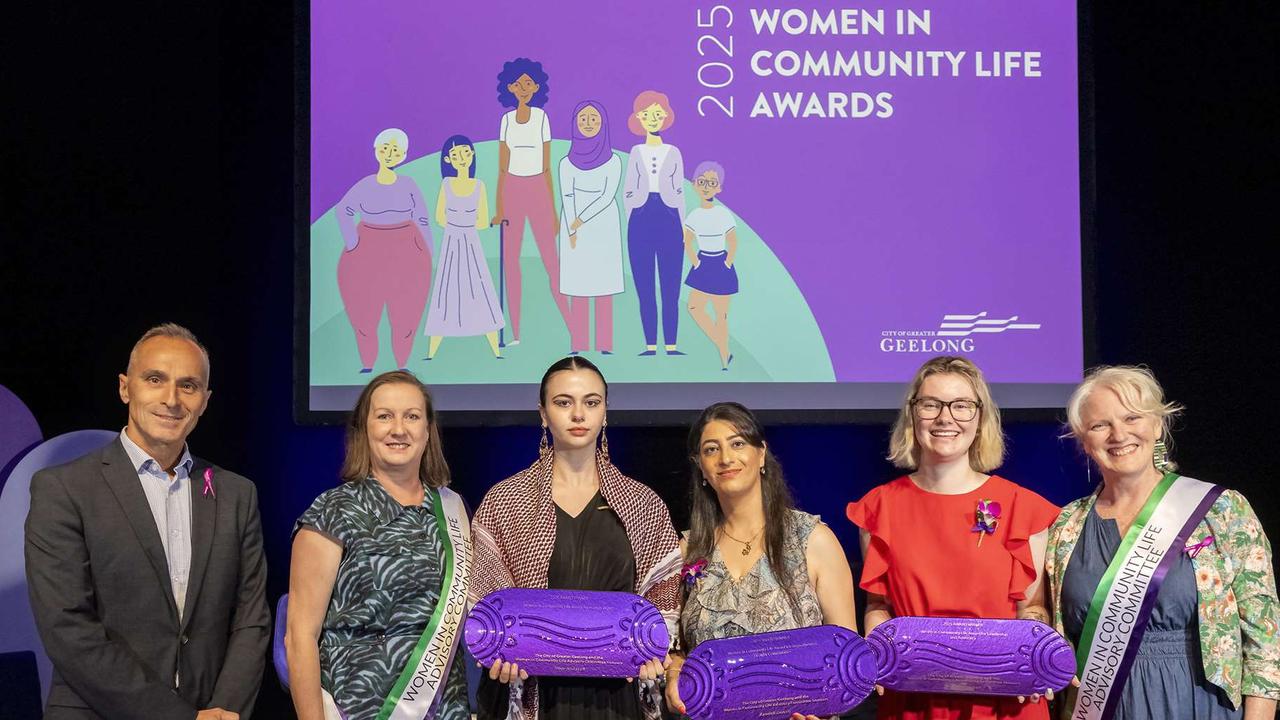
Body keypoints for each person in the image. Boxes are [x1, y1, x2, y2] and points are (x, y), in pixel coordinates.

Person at [24, 323, 269, 720]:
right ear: (125, 387)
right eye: (155, 379)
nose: (171, 399)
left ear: (205, 400)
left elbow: (250, 617)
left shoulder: (237, 494)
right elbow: (68, 628)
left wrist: (224, 709)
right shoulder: (63, 489)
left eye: (188, 386)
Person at [1047, 366, 1279, 720]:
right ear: (1084, 441)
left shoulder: (1222, 508)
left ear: (1157, 425)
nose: (1118, 434)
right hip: (1102, 705)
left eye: (1132, 417)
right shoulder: (1066, 525)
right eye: (1100, 425)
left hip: (1199, 701)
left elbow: (1264, 630)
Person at [846, 355, 1060, 720]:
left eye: (961, 405)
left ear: (980, 418)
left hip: (1005, 703)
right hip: (914, 701)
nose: (946, 418)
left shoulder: (1023, 507)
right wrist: (878, 647)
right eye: (931, 405)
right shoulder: (878, 509)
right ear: (913, 414)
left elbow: (1033, 608)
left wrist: (1035, 658)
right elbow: (877, 607)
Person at [469, 356, 682, 720]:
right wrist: (498, 646)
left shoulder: (643, 503)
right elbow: (489, 601)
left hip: (617, 697)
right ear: (543, 414)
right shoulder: (506, 500)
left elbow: (663, 599)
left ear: (605, 412)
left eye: (591, 402)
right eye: (563, 402)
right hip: (532, 692)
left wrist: (653, 648)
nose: (578, 415)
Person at [286, 370, 470, 720]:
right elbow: (299, 639)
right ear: (364, 429)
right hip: (358, 705)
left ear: (428, 431)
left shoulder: (452, 512)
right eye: (384, 416)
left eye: (412, 416)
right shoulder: (333, 511)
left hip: (446, 706)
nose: (398, 429)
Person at [665, 402, 858, 719]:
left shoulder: (813, 540)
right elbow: (673, 647)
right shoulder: (687, 549)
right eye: (711, 449)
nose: (726, 458)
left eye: (738, 443)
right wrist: (675, 668)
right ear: (700, 466)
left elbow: (846, 658)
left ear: (761, 453)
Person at [335, 128, 434, 372]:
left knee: (406, 312)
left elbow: (422, 218)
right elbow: (343, 210)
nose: (390, 153)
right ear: (377, 151)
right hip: (367, 250)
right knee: (364, 312)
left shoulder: (409, 185)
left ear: (403, 155)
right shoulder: (364, 186)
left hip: (407, 251)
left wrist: (427, 251)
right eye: (385, 148)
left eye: (396, 150)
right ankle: (368, 364)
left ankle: (402, 364)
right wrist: (353, 242)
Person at [492, 58, 568, 344]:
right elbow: (502, 167)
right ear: (509, 87)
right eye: (517, 84)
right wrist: (500, 208)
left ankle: (571, 328)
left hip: (537, 187)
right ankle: (515, 333)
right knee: (511, 263)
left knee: (551, 261)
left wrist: (552, 211)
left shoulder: (541, 118)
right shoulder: (507, 121)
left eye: (528, 83)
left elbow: (547, 166)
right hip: (512, 189)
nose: (523, 89)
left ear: (536, 87)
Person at [422, 134, 505, 360]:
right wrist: (461, 222)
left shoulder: (479, 186)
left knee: (479, 288)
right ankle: (432, 351)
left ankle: (495, 348)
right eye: (456, 155)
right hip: (452, 242)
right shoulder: (446, 185)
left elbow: (482, 220)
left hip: (470, 243)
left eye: (466, 153)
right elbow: (439, 216)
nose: (462, 158)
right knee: (446, 290)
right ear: (448, 160)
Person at [558, 100, 624, 355]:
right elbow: (567, 195)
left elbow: (607, 196)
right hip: (573, 226)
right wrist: (572, 227)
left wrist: (580, 220)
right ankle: (580, 344)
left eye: (594, 118)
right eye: (583, 118)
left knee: (603, 287)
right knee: (579, 287)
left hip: (603, 224)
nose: (588, 123)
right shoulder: (566, 162)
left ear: (603, 124)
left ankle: (605, 344)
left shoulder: (613, 160)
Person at [623, 90, 686, 357]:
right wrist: (634, 212)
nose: (653, 118)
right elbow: (628, 188)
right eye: (647, 114)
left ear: (665, 117)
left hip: (669, 215)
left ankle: (671, 345)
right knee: (645, 286)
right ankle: (650, 345)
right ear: (638, 118)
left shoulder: (674, 152)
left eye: (657, 114)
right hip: (641, 217)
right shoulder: (635, 151)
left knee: (671, 287)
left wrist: (682, 225)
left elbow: (680, 190)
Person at [681, 161, 738, 370]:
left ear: (719, 188)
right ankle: (723, 347)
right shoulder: (694, 215)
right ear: (695, 184)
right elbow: (687, 240)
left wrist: (727, 262)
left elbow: (732, 240)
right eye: (702, 181)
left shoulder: (723, 214)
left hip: (721, 265)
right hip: (703, 264)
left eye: (712, 182)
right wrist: (695, 263)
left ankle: (724, 358)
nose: (706, 186)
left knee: (721, 315)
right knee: (694, 307)